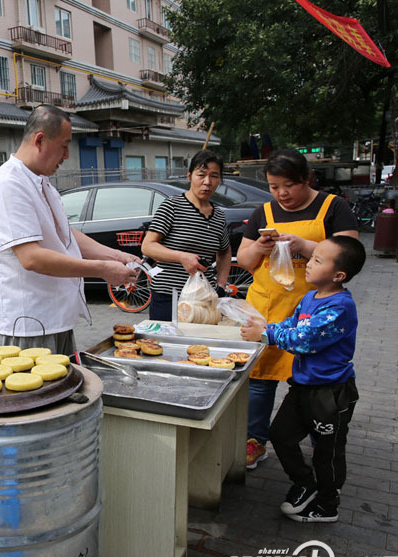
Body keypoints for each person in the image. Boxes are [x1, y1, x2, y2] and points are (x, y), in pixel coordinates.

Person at [0, 104, 139, 355]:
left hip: (55, 316)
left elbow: (63, 233)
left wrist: (113, 255)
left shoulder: (42, 182)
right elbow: (31, 257)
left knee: (63, 388)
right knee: (37, 392)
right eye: (64, 146)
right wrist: (102, 270)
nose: (66, 156)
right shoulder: (7, 185)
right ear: (40, 140)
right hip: (28, 322)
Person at [236, 150, 358, 469]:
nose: (281, 194)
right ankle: (255, 441)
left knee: (311, 383)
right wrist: (260, 248)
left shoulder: (334, 207)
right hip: (268, 307)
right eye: (274, 187)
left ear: (306, 179)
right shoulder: (263, 212)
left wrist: (302, 245)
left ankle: (321, 444)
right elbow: (245, 261)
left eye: (289, 185)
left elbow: (350, 256)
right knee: (260, 381)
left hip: (315, 314)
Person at [241, 235, 365, 522]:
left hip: (330, 393)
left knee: (327, 451)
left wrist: (265, 335)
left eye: (317, 261)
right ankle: (305, 483)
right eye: (311, 257)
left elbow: (304, 339)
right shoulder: (310, 296)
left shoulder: (340, 307)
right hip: (303, 387)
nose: (308, 264)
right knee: (279, 435)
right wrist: (267, 326)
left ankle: (326, 505)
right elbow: (291, 324)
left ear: (339, 275)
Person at [141, 150, 231, 321]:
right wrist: (182, 257)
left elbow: (225, 251)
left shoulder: (218, 215)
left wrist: (221, 285)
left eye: (214, 176)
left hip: (204, 300)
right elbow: (148, 245)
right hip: (170, 296)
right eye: (201, 175)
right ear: (189, 176)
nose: (207, 182)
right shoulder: (172, 206)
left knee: (200, 346)